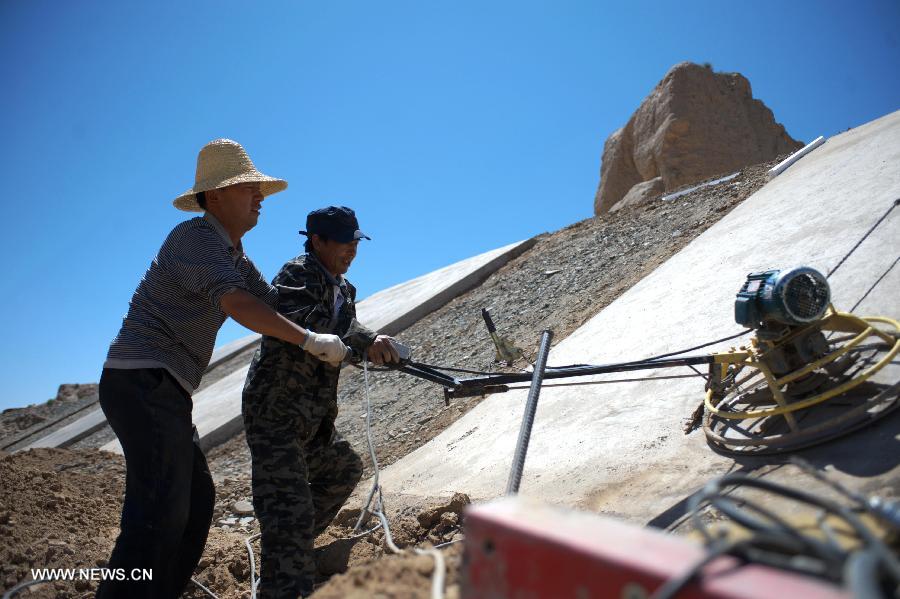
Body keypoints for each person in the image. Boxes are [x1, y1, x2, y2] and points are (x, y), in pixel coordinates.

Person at [97, 139, 349, 599]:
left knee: (195, 505)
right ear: (214, 197)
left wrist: (345, 325)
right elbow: (238, 305)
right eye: (247, 189)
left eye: (259, 190)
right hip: (140, 380)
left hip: (164, 388)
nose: (259, 198)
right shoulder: (194, 237)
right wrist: (311, 341)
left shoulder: (234, 256)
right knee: (158, 512)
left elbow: (276, 305)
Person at [242, 206, 402, 598]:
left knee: (343, 469)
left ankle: (287, 551)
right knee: (288, 510)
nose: (352, 250)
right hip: (276, 414)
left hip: (313, 420)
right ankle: (285, 570)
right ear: (318, 241)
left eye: (356, 242)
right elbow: (303, 322)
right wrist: (358, 343)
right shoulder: (297, 275)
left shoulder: (344, 289)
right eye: (344, 243)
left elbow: (345, 333)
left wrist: (375, 344)